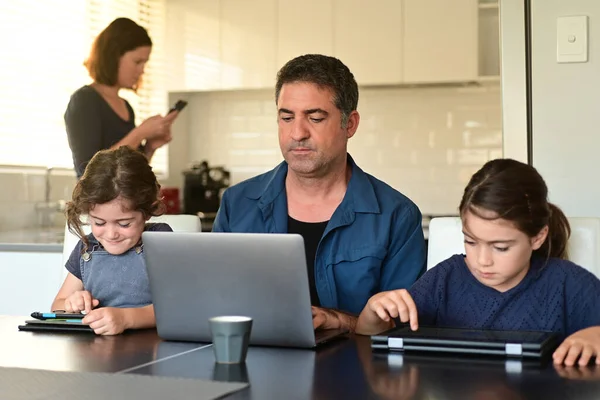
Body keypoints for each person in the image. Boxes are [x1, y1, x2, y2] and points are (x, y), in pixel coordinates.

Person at [213, 54, 426, 332]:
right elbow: (216, 301)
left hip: (355, 370)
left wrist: (338, 321)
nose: (297, 133)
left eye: (315, 117)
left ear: (349, 124)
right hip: (254, 365)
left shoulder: (398, 216)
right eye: (286, 117)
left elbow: (402, 326)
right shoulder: (236, 204)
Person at [356, 158, 600, 366]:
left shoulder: (569, 283)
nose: (482, 261)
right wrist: (372, 315)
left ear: (537, 237)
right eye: (471, 242)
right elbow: (371, 346)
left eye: (500, 247)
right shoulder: (445, 279)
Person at [51, 146, 173, 335]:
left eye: (124, 224)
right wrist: (71, 304)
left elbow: (179, 307)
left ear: (148, 211)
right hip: (96, 354)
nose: (111, 234)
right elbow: (57, 306)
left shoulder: (160, 241)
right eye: (99, 222)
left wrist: (126, 319)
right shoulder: (87, 247)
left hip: (150, 351)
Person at [64, 17, 178, 178]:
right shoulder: (84, 100)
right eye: (137, 62)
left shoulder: (126, 106)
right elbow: (90, 173)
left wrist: (150, 147)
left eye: (144, 63)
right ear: (114, 56)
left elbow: (130, 176)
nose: (141, 70)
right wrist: (140, 133)